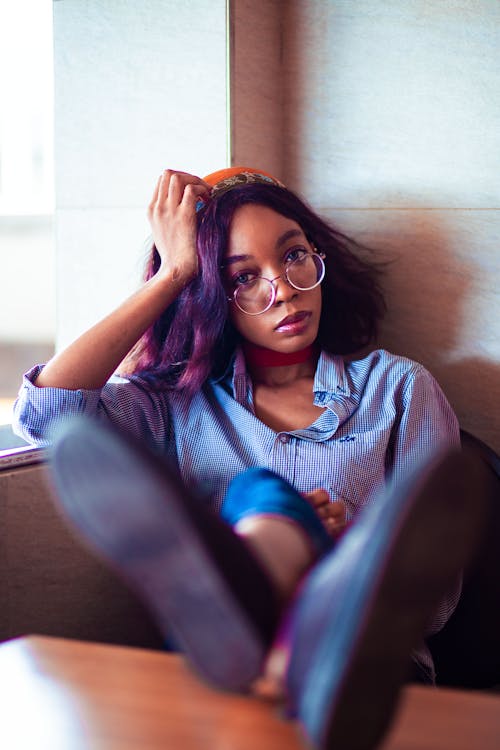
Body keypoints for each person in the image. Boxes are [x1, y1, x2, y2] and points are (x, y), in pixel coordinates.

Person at [12, 167, 488, 749]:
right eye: (244, 278)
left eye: (294, 257)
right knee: (259, 496)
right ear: (212, 296)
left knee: (262, 500)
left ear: (320, 261)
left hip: (364, 669)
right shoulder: (178, 406)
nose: (283, 288)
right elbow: (48, 416)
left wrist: (339, 548)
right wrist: (173, 274)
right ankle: (252, 589)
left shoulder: (396, 388)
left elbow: (434, 602)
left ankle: (279, 591)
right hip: (225, 683)